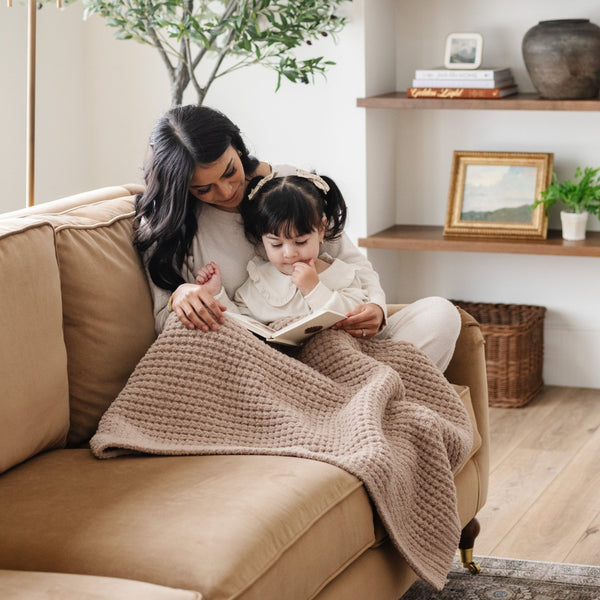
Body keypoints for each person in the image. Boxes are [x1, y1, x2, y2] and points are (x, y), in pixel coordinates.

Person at [134, 104, 460, 371]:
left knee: (440, 313)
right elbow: (167, 327)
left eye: (229, 171)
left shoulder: (288, 186)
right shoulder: (170, 226)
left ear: (237, 146)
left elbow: (351, 265)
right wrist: (183, 297)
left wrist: (375, 307)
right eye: (203, 188)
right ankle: (355, 402)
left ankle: (360, 398)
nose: (226, 190)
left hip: (341, 349)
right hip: (261, 367)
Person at [196, 169, 461, 371]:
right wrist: (216, 294)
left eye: (300, 242)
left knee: (442, 312)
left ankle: (373, 394)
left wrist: (315, 290)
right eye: (276, 244)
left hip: (351, 364)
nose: (289, 253)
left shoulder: (340, 273)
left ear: (321, 230)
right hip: (289, 373)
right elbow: (239, 325)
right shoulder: (259, 278)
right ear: (261, 239)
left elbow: (355, 315)